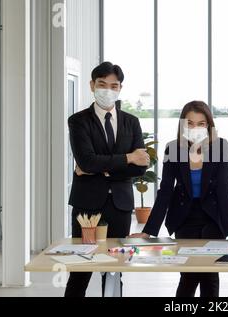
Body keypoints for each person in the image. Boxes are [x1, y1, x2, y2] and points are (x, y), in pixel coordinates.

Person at [131, 101, 228, 297]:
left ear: (209, 126)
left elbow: (224, 190)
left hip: (213, 219)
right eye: (190, 123)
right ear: (182, 125)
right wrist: (148, 231)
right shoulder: (173, 148)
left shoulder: (220, 146)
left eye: (201, 124)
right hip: (184, 219)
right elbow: (165, 191)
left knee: (210, 275)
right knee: (189, 273)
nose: (195, 128)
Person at [65, 62, 150, 297]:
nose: (108, 90)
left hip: (120, 206)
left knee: (115, 270)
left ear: (120, 88)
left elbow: (141, 168)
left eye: (114, 86)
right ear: (92, 85)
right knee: (81, 268)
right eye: (102, 84)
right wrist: (127, 158)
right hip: (87, 207)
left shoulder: (131, 122)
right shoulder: (78, 120)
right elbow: (87, 161)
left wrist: (102, 167)